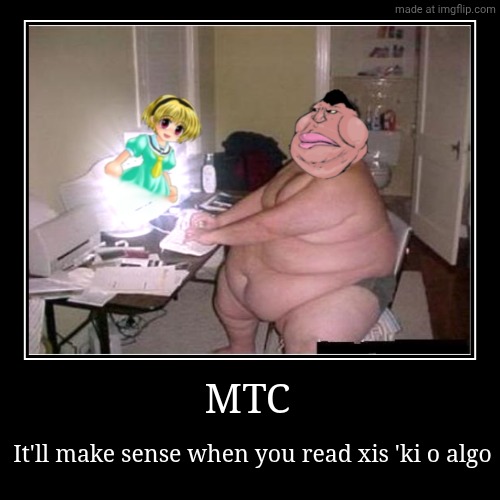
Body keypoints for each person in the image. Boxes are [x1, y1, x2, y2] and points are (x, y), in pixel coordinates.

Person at [187, 90, 396, 354]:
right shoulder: (305, 161)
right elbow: (266, 194)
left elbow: (269, 225)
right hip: (269, 284)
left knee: (314, 338)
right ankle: (241, 349)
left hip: (341, 288)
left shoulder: (344, 182)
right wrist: (220, 221)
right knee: (229, 298)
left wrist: (213, 237)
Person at [105, 95, 201, 203]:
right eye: (165, 123)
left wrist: (169, 187)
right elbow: (129, 152)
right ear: (153, 120)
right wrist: (116, 163)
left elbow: (164, 171)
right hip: (140, 178)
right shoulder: (144, 141)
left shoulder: (170, 153)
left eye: (178, 129)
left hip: (157, 184)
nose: (170, 131)